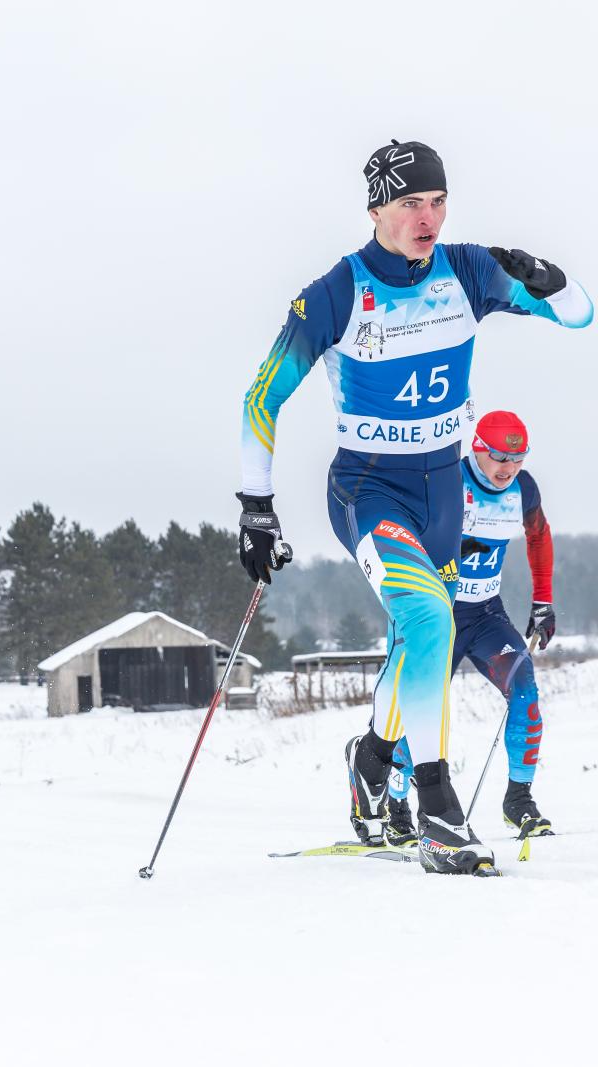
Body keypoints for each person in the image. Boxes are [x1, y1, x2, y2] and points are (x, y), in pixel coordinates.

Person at [237, 138, 592, 875]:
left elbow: (579, 315)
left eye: (437, 202)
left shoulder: (468, 270)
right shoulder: (340, 290)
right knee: (431, 617)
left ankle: (369, 758)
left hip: (443, 498)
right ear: (375, 211)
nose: (427, 218)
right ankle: (435, 806)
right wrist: (256, 505)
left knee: (413, 640)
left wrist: (549, 279)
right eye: (409, 204)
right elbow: (261, 397)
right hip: (369, 491)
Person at [387, 410, 555, 846]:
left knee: (525, 689)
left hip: (484, 615)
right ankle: (396, 803)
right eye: (500, 456)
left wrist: (543, 602)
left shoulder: (523, 488)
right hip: (435, 613)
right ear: (478, 449)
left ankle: (518, 800)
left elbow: (538, 536)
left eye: (517, 458)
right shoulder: (447, 480)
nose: (508, 468)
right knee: (418, 710)